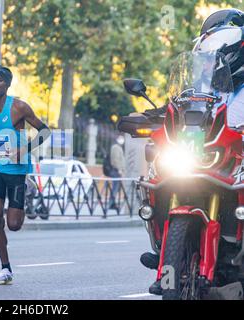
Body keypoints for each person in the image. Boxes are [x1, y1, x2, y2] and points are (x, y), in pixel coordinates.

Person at [140, 8, 244, 295]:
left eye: (221, 50)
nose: (214, 59)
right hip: (199, 157)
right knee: (157, 175)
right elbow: (183, 108)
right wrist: (153, 116)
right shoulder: (202, 87)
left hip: (234, 157)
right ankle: (165, 251)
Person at [0, 66, 50, 285]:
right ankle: (5, 268)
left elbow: (45, 131)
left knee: (14, 224)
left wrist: (24, 150)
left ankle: (25, 192)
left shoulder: (19, 107)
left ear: (7, 85)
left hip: (17, 171)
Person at [108, 135, 125, 213]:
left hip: (118, 170)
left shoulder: (119, 147)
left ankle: (112, 203)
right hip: (116, 171)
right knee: (115, 188)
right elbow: (115, 160)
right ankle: (110, 204)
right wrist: (119, 170)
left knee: (116, 188)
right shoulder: (115, 147)